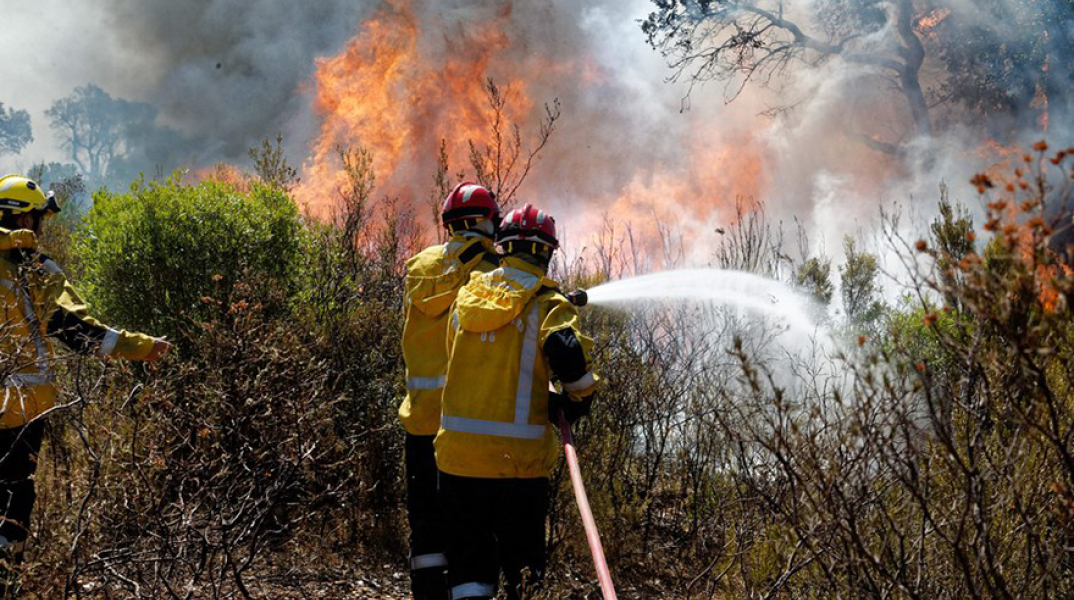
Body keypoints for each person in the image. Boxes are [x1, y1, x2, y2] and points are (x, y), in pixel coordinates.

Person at [0, 175, 171, 596]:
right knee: (11, 496)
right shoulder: (35, 270)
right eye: (37, 219)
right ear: (24, 217)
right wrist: (142, 347)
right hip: (18, 409)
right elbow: (78, 331)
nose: (39, 229)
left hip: (19, 405)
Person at [436, 203, 599, 600]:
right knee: (521, 574)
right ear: (546, 252)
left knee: (468, 570)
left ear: (504, 247)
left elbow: (458, 363)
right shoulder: (547, 303)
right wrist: (574, 402)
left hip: (457, 461)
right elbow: (569, 359)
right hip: (518, 469)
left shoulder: (466, 298)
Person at [399, 182, 501, 599]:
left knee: (427, 523)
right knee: (472, 530)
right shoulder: (493, 271)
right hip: (466, 425)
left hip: (421, 419)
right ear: (484, 221)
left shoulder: (420, 267)